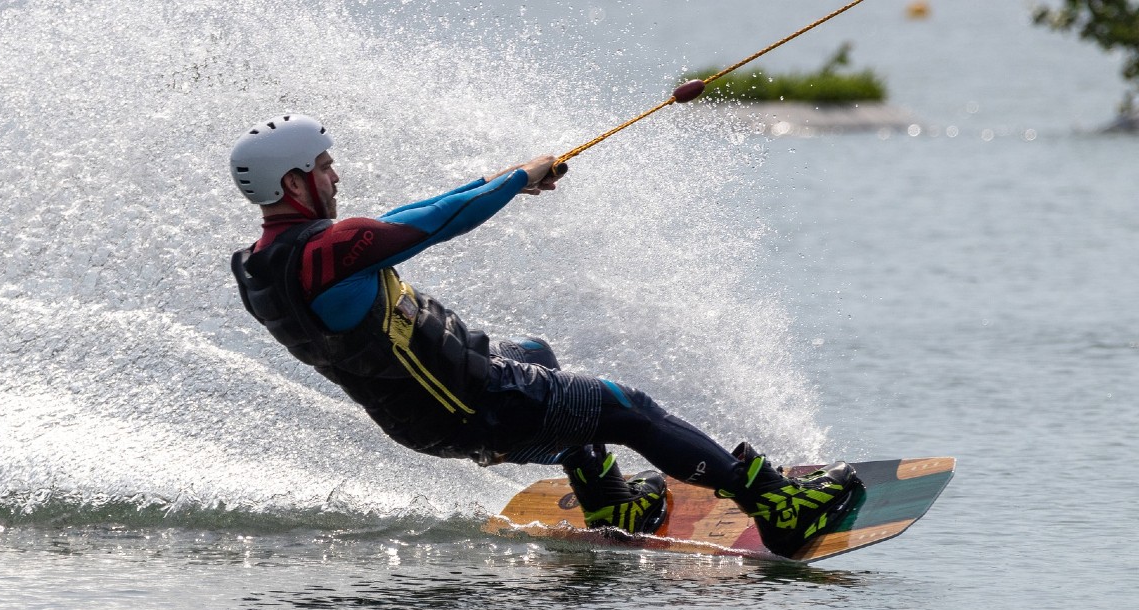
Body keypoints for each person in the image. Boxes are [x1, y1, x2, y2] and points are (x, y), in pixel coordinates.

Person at [228, 113, 861, 557]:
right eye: (326, 167)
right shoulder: (333, 250)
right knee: (626, 408)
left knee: (534, 354)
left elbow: (401, 221)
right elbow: (432, 226)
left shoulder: (259, 265)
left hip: (424, 415)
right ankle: (779, 507)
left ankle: (612, 503)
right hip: (478, 405)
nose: (336, 178)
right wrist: (515, 181)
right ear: (294, 182)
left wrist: (503, 178)